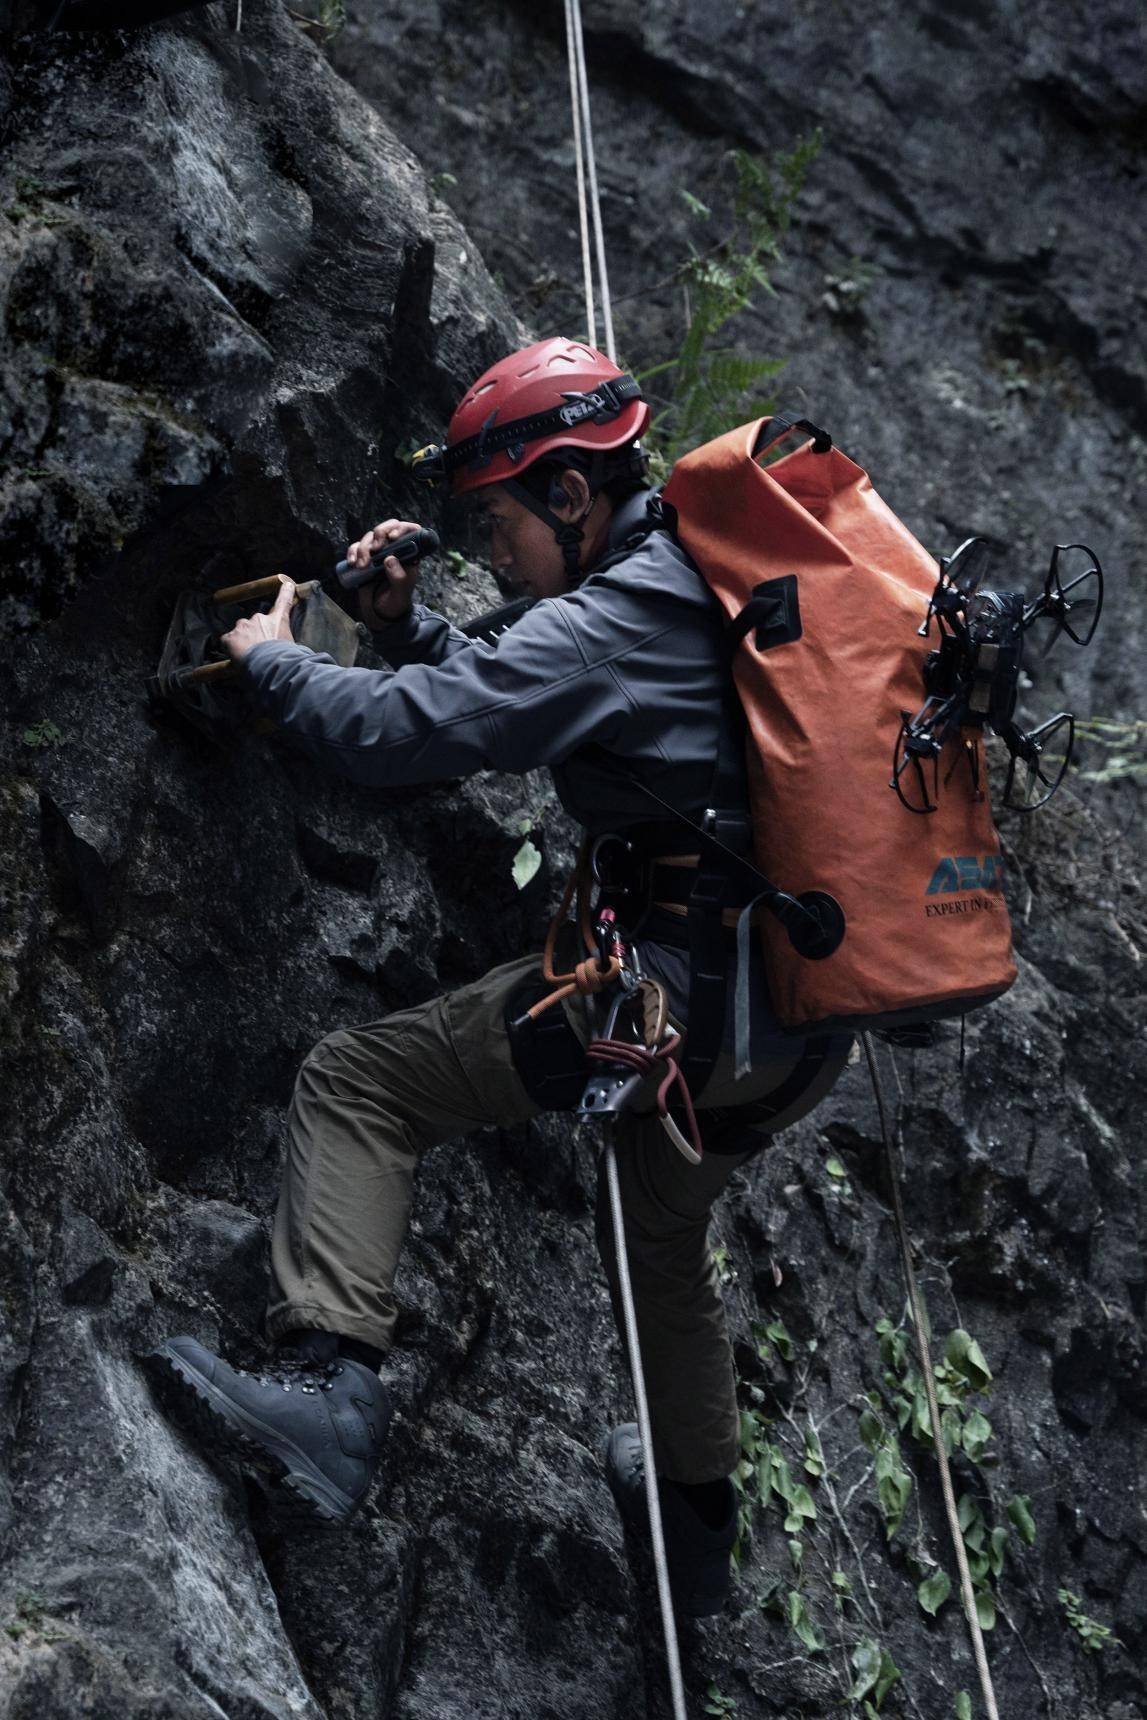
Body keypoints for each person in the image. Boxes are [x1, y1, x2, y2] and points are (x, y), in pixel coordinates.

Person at [149, 337, 852, 1616]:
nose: (491, 547)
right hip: (794, 1024)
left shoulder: (619, 612)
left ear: (571, 494)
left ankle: (327, 1397)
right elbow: (495, 683)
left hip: (674, 1012)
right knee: (658, 1229)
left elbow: (406, 735)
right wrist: (403, 626)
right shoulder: (695, 579)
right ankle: (694, 1533)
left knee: (361, 1083)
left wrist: (272, 656)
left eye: (497, 519)